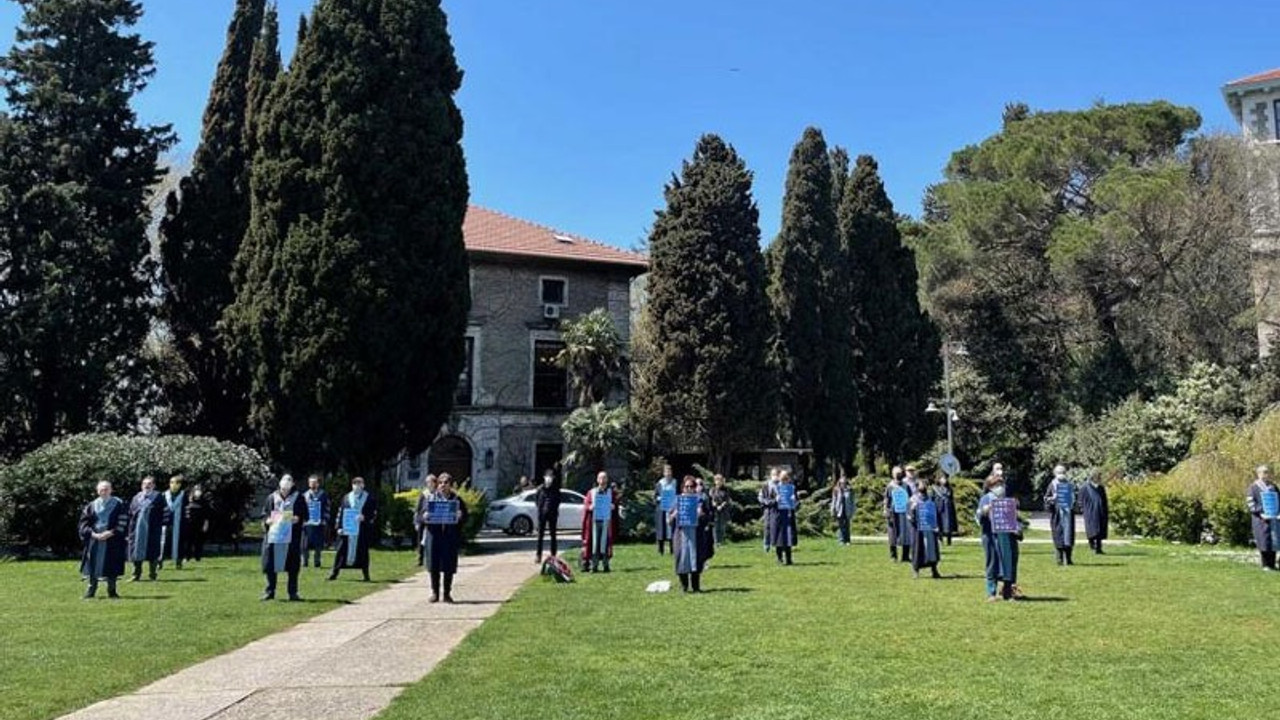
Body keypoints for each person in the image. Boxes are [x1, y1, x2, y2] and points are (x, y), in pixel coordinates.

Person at [422, 473, 469, 602]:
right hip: (434, 536)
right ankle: (435, 593)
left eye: (446, 483)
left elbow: (465, 516)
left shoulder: (456, 499)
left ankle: (447, 593)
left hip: (449, 537)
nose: (443, 485)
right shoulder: (431, 499)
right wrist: (424, 516)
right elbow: (420, 515)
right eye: (441, 483)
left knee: (448, 566)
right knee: (434, 566)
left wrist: (460, 515)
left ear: (450, 485)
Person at [79, 481, 128, 599]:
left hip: (112, 540)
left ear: (111, 490)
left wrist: (111, 532)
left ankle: (112, 591)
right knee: (92, 565)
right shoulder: (91, 506)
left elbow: (123, 521)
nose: (104, 491)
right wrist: (93, 534)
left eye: (106, 489)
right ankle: (91, 590)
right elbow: (83, 523)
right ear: (97, 491)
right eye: (101, 490)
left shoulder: (119, 504)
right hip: (94, 541)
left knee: (112, 565)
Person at [976, 474, 1022, 601]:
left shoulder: (1008, 500)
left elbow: (1016, 519)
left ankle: (1008, 592)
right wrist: (984, 511)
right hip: (991, 537)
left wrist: (1018, 528)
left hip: (1008, 538)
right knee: (992, 564)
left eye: (1002, 484)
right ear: (990, 487)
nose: (1000, 487)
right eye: (997, 485)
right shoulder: (986, 498)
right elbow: (978, 516)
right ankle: (991, 593)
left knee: (1009, 564)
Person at [261, 474, 306, 601]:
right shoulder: (271, 497)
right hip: (274, 537)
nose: (285, 488)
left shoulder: (299, 498)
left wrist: (298, 518)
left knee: (292, 566)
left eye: (288, 484)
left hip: (291, 538)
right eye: (283, 486)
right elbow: (265, 514)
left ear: (292, 485)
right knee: (270, 564)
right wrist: (267, 520)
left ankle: (293, 592)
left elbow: (304, 514)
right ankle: (270, 591)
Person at [329, 476, 378, 581]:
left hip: (362, 530)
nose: (357, 486)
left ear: (363, 485)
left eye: (359, 483)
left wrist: (365, 517)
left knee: (363, 551)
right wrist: (339, 527)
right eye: (355, 483)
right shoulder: (346, 497)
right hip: (347, 530)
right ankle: (334, 572)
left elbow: (373, 513)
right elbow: (341, 512)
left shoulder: (369, 498)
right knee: (341, 550)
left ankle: (366, 574)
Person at [127, 476, 165, 581]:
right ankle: (136, 575)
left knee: (152, 552)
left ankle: (153, 575)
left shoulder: (158, 497)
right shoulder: (136, 498)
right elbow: (130, 513)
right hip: (136, 530)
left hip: (152, 529)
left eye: (149, 484)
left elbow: (164, 513)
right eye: (144, 484)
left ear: (153, 485)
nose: (146, 486)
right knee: (136, 551)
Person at [671, 476, 704, 592]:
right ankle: (684, 586)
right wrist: (674, 514)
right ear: (682, 488)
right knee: (681, 557)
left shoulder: (699, 500)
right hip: (681, 534)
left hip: (695, 534)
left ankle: (696, 586)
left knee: (696, 558)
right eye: (686, 486)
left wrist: (700, 513)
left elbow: (704, 515)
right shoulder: (677, 500)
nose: (689, 489)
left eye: (691, 486)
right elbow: (669, 520)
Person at [581, 471, 617, 572]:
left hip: (606, 521)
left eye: (604, 478)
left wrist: (613, 506)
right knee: (595, 544)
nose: (602, 480)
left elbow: (615, 503)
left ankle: (606, 565)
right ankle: (595, 566)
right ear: (597, 480)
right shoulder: (591, 492)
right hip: (594, 521)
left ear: (607, 480)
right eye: (600, 478)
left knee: (605, 543)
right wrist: (590, 507)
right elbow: (586, 504)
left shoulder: (611, 493)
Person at [1246, 464, 1280, 571]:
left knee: (1274, 541)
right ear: (1258, 474)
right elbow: (1251, 503)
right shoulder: (1253, 487)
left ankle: (1273, 564)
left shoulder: (1273, 487)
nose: (1266, 475)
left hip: (1274, 518)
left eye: (1267, 472)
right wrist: (1260, 512)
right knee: (1264, 541)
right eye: (1263, 472)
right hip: (1261, 519)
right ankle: (1265, 565)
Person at [909, 479, 942, 579]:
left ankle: (934, 569)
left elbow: (936, 513)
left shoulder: (930, 499)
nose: (922, 486)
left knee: (932, 548)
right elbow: (909, 516)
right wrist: (913, 510)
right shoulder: (912, 500)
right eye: (920, 485)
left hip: (929, 527)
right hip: (917, 529)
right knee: (917, 548)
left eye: (924, 485)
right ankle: (916, 570)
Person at [1045, 465, 1076, 566]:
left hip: (1068, 515)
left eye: (1062, 472)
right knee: (1058, 536)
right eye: (1059, 472)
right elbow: (1046, 499)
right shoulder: (1052, 485)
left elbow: (1074, 498)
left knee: (1069, 536)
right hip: (1057, 515)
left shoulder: (1069, 484)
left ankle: (1069, 558)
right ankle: (1059, 559)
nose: (1061, 474)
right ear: (1055, 473)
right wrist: (1052, 499)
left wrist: (1072, 500)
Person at [159, 475, 187, 570]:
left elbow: (186, 509)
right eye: (171, 482)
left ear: (180, 485)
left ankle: (178, 562)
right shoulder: (164, 495)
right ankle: (159, 562)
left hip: (179, 524)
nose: (173, 485)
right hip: (166, 523)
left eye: (176, 483)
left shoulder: (184, 495)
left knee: (179, 543)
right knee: (162, 543)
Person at [884, 467, 911, 563]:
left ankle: (905, 556)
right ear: (893, 474)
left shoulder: (906, 486)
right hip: (893, 513)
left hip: (904, 513)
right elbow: (887, 500)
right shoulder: (890, 486)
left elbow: (910, 499)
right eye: (896, 473)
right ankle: (893, 556)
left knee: (906, 534)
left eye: (900, 473)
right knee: (893, 535)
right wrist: (886, 511)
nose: (898, 475)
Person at [302, 474, 329, 568]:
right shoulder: (304, 495)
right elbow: (301, 509)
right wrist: (303, 520)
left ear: (318, 483)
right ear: (308, 484)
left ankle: (317, 562)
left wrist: (325, 519)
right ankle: (305, 562)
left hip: (319, 523)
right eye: (311, 482)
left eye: (315, 482)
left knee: (318, 544)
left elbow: (327, 508)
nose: (313, 484)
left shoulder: (323, 495)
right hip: (307, 524)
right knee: (305, 544)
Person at [772, 470, 799, 565]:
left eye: (786, 479)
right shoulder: (775, 488)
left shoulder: (792, 488)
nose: (785, 481)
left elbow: (797, 504)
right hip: (778, 516)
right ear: (780, 478)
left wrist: (795, 501)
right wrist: (775, 500)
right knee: (779, 538)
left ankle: (789, 559)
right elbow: (769, 502)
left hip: (789, 515)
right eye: (783, 479)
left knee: (788, 538)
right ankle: (779, 559)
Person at [1080, 472, 1110, 554]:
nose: (1100, 480)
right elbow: (1081, 500)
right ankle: (1092, 544)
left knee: (1100, 530)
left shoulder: (1101, 488)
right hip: (1090, 512)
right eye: (1098, 478)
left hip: (1100, 511)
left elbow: (1104, 500)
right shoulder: (1085, 488)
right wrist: (1083, 509)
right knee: (1092, 530)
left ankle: (1099, 548)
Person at [534, 469, 560, 563]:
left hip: (552, 515)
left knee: (553, 535)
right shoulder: (540, 489)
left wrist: (553, 509)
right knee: (540, 535)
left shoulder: (555, 489)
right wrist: (541, 510)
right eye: (548, 477)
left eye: (551, 477)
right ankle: (538, 555)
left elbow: (558, 501)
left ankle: (553, 555)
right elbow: (536, 501)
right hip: (542, 515)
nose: (549, 479)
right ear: (544, 478)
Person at [414, 474, 439, 565]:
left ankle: (431, 558)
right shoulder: (424, 494)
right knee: (421, 540)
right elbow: (418, 508)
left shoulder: (438, 494)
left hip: (434, 520)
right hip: (423, 520)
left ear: (434, 483)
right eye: (427, 482)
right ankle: (420, 558)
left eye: (430, 482)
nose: (428, 484)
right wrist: (416, 521)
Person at [184, 483, 210, 562]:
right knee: (188, 542)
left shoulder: (204, 501)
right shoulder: (188, 499)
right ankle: (187, 557)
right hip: (189, 523)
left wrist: (206, 524)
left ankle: (197, 557)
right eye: (197, 489)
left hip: (199, 524)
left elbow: (207, 514)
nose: (198, 491)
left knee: (198, 541)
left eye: (199, 490)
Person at [654, 465, 677, 555]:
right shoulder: (659, 483)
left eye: (669, 471)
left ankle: (672, 549)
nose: (668, 473)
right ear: (663, 473)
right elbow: (655, 497)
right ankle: (661, 550)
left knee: (672, 529)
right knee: (661, 529)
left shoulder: (675, 482)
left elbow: (678, 494)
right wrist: (661, 498)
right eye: (666, 472)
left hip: (672, 508)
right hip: (662, 509)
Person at [758, 468, 780, 553]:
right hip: (768, 509)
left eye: (777, 475)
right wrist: (768, 502)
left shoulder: (781, 485)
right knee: (767, 527)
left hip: (778, 509)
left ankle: (776, 544)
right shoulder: (766, 485)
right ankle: (766, 545)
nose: (775, 477)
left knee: (777, 527)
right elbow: (760, 497)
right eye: (774, 475)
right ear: (771, 475)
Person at [933, 475, 958, 546]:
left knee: (948, 524)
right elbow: (932, 498)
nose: (944, 480)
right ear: (939, 479)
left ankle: (949, 540)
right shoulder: (935, 488)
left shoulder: (949, 488)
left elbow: (952, 498)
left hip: (948, 508)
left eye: (945, 479)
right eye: (942, 478)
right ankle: (940, 539)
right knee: (939, 523)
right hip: (938, 507)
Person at [831, 475, 855, 546]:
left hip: (847, 510)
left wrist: (853, 510)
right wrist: (833, 510)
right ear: (839, 483)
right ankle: (841, 540)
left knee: (847, 525)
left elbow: (852, 501)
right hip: (839, 510)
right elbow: (834, 501)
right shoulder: (836, 490)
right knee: (841, 526)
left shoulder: (850, 490)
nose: (843, 484)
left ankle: (847, 540)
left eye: (844, 483)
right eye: (841, 483)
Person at [710, 474, 731, 546]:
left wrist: (721, 506)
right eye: (717, 480)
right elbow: (711, 499)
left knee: (722, 526)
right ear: (715, 481)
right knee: (715, 526)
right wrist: (715, 505)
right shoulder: (712, 490)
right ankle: (715, 542)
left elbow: (727, 499)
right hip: (715, 510)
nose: (718, 482)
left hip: (723, 510)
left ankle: (721, 541)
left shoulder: (726, 490)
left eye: (720, 480)